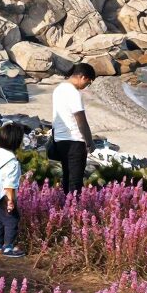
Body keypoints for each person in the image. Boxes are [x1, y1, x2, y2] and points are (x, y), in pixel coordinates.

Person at [50, 61, 96, 194]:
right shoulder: (74, 93)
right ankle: (73, 205)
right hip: (75, 141)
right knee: (75, 182)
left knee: (67, 177)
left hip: (60, 140)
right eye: (88, 82)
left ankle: (65, 203)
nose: (86, 86)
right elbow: (81, 120)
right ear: (82, 77)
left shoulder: (58, 89)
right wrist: (89, 142)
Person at [0, 121, 25, 256]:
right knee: (12, 220)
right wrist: (10, 201)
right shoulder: (12, 162)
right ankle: (8, 247)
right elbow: (9, 185)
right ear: (16, 142)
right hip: (5, 196)